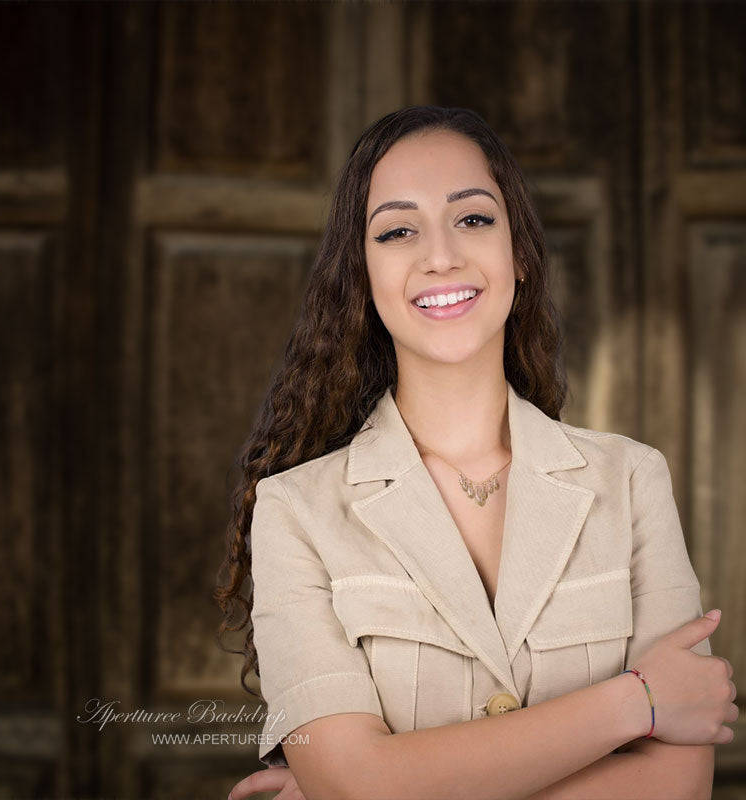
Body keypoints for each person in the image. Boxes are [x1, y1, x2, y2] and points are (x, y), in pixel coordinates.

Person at [215, 106, 738, 800]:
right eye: (398, 230)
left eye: (473, 219)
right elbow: (355, 785)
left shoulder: (633, 481)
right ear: (363, 277)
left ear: (518, 252)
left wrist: (384, 785)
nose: (441, 255)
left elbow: (678, 786)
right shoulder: (295, 512)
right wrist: (636, 702)